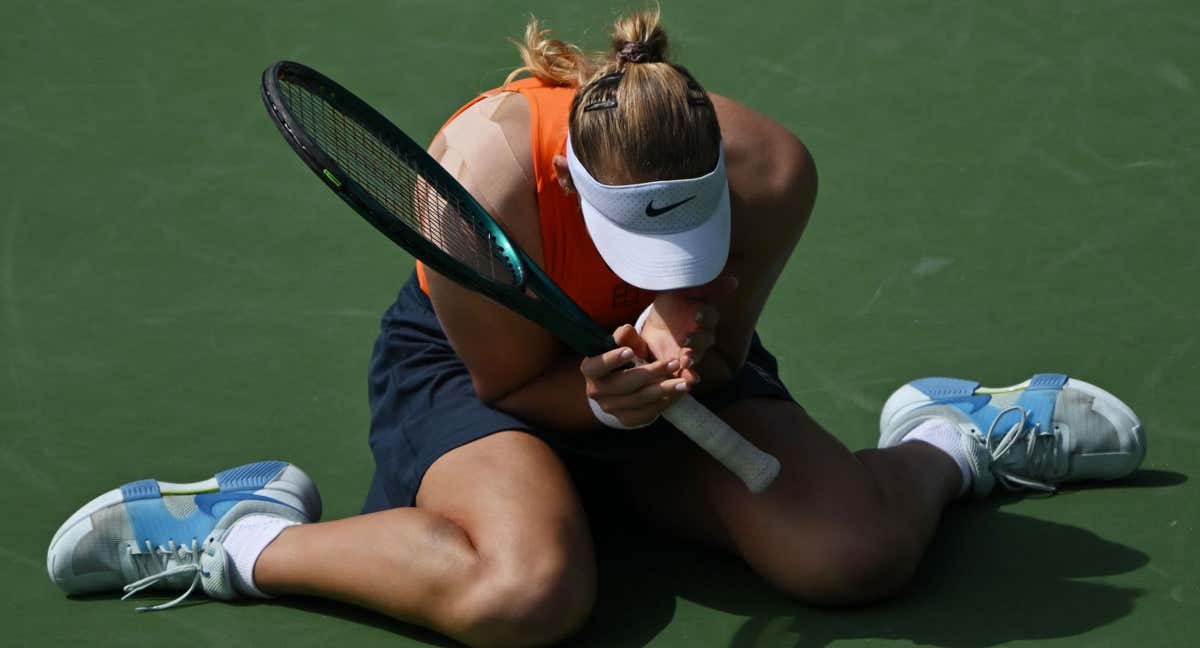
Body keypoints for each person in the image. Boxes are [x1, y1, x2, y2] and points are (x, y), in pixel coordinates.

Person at [46, 8, 1145, 648]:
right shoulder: (478, 179)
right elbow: (513, 382)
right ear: (570, 179)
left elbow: (722, 348)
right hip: (488, 374)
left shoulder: (773, 173)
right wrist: (603, 398)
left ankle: (949, 442)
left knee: (852, 558)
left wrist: (687, 336)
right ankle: (242, 534)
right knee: (526, 593)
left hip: (666, 380)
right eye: (636, 240)